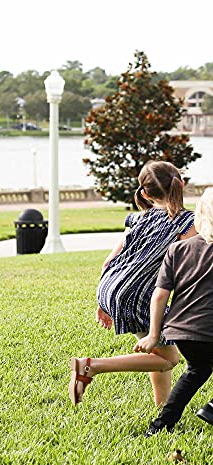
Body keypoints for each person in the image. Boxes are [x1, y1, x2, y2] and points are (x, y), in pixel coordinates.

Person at [69, 161, 197, 407]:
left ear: (145, 194)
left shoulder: (140, 218)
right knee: (169, 359)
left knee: (159, 350)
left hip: (110, 287)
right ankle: (91, 366)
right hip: (135, 295)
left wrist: (105, 301)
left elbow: (109, 262)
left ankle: (162, 407)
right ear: (180, 184)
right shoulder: (186, 223)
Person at [134, 187, 213, 435]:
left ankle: (159, 426)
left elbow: (160, 295)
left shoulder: (177, 250)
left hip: (180, 331)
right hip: (208, 327)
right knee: (198, 369)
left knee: (197, 370)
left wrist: (154, 335)